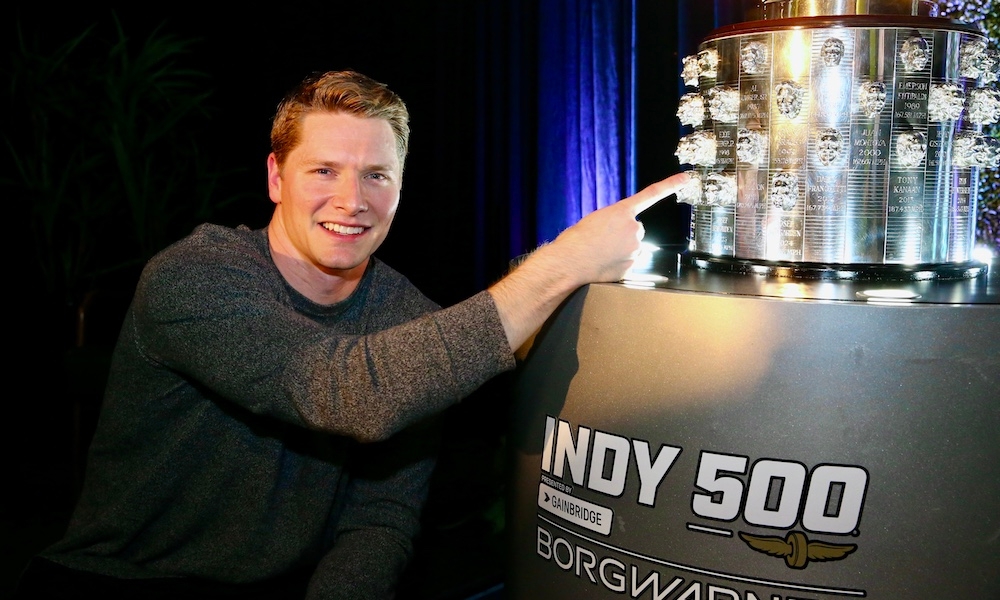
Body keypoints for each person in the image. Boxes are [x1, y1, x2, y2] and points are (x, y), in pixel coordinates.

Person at [15, 70, 689, 599]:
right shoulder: (196, 275)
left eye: (376, 175)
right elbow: (345, 391)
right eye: (324, 171)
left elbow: (382, 517)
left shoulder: (410, 320)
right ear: (276, 177)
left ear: (399, 189)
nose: (352, 201)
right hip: (117, 583)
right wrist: (564, 263)